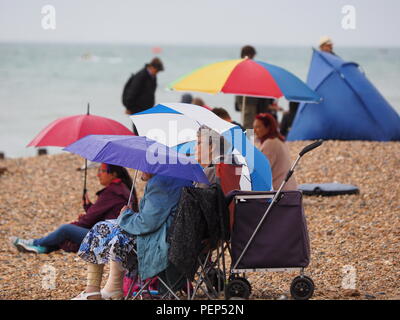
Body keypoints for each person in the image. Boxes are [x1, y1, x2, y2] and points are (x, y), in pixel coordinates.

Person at [71, 172, 193, 300]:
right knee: (112, 231)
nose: (139, 171)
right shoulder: (183, 179)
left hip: (161, 241)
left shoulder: (160, 183)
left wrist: (125, 214)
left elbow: (146, 223)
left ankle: (93, 290)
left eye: (142, 167)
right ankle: (113, 288)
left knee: (102, 229)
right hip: (181, 238)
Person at [10, 164, 138, 254]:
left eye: (102, 171)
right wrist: (88, 206)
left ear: (113, 174)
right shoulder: (122, 189)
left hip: (108, 238)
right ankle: (42, 248)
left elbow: (88, 220)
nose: (98, 175)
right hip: (116, 234)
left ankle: (35, 243)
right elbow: (100, 215)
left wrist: (75, 225)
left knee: (65, 229)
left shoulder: (112, 192)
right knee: (70, 230)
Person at [253, 113, 297, 191]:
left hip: (279, 192)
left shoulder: (270, 143)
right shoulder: (278, 140)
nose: (254, 131)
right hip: (288, 189)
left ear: (268, 128)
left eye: (258, 127)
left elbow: (260, 172)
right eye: (254, 127)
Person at [235, 45, 274, 129]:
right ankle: (247, 141)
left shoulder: (240, 66)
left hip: (244, 100)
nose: (253, 58)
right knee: (248, 125)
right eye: (253, 56)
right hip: (248, 101)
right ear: (249, 54)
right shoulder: (246, 67)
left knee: (249, 124)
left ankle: (247, 140)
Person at [122, 57, 164, 134]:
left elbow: (151, 93)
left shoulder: (153, 77)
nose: (157, 73)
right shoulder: (141, 76)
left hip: (146, 109)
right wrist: (129, 107)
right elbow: (132, 92)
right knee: (138, 131)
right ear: (151, 67)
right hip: (137, 109)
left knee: (145, 131)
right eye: (157, 70)